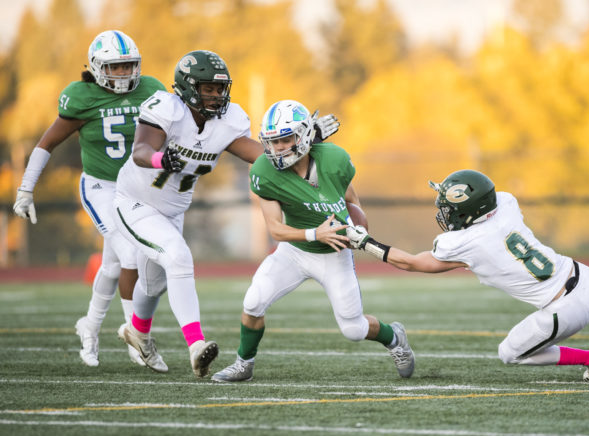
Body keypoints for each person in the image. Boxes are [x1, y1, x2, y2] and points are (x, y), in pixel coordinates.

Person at [346, 169, 589, 383]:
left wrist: (367, 243)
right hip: (586, 276)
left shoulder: (463, 244)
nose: (444, 212)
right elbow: (483, 216)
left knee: (509, 354)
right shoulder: (505, 206)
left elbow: (414, 263)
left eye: (449, 206)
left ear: (466, 210)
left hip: (563, 306)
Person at [114, 54, 340, 378]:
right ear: (188, 87)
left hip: (172, 210)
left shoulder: (228, 121)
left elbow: (264, 157)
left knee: (153, 285)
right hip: (135, 201)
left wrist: (302, 142)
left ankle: (137, 331)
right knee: (178, 258)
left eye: (220, 89)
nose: (217, 96)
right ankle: (195, 345)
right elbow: (140, 151)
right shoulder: (167, 108)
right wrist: (162, 159)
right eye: (208, 88)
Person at [210, 99, 414, 383]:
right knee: (253, 302)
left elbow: (351, 199)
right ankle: (244, 362)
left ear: (304, 135)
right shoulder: (263, 171)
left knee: (353, 330)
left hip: (333, 252)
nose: (278, 149)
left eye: (284, 140)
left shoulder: (334, 159)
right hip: (293, 250)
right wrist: (314, 233)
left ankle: (395, 338)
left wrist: (357, 227)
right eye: (272, 142)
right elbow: (276, 230)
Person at [12, 30, 166, 368]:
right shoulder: (82, 97)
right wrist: (25, 188)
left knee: (112, 265)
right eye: (115, 67)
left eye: (128, 67)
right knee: (130, 253)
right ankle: (137, 339)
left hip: (137, 189)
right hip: (101, 187)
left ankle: (90, 328)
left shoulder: (151, 89)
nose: (123, 75)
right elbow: (46, 143)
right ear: (97, 68)